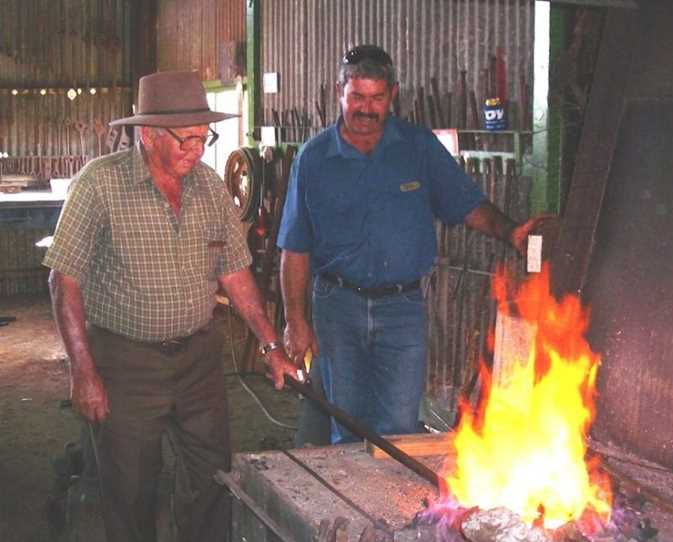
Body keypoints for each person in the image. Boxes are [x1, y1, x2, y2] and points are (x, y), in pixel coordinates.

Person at [44, 70, 302, 542]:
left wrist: (270, 344)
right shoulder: (99, 185)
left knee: (211, 479)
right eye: (186, 139)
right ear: (147, 134)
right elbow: (65, 281)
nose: (197, 150)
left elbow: (235, 273)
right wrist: (83, 371)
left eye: (205, 138)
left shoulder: (208, 186)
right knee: (130, 489)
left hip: (199, 361)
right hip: (125, 364)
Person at [278, 45, 549, 444]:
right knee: (348, 427)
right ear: (340, 91)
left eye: (377, 97)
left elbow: (467, 204)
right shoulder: (314, 158)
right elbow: (295, 247)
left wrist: (509, 231)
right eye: (356, 96)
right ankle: (349, 506)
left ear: (393, 94)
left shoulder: (417, 147)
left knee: (400, 430)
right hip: (338, 309)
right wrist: (295, 320)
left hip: (402, 310)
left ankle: (385, 509)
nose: (366, 109)